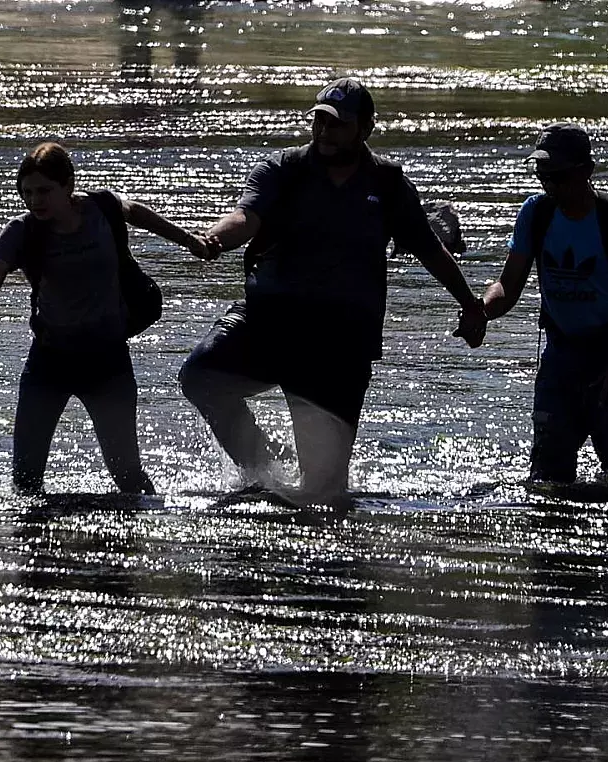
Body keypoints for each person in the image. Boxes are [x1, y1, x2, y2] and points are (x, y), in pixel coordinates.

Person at [178, 77, 486, 509]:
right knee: (201, 377)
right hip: (271, 323)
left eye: (337, 125)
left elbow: (430, 251)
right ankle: (264, 470)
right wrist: (212, 239)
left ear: (365, 128)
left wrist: (470, 306)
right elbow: (245, 219)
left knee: (324, 495)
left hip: (341, 346)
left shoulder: (388, 185)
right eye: (319, 122)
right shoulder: (282, 171)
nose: (325, 132)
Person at [0, 142, 212, 495]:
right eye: (27, 193)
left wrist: (188, 239)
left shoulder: (101, 208)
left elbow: (136, 212)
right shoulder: (21, 232)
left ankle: (146, 538)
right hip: (48, 362)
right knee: (26, 481)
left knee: (128, 476)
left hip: (107, 360)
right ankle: (34, 547)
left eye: (44, 191)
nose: (35, 201)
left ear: (68, 185)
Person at [483, 122, 608, 494]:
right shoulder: (536, 215)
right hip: (561, 356)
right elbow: (507, 286)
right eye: (543, 176)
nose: (550, 185)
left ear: (586, 171)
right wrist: (482, 309)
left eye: (558, 176)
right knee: (546, 478)